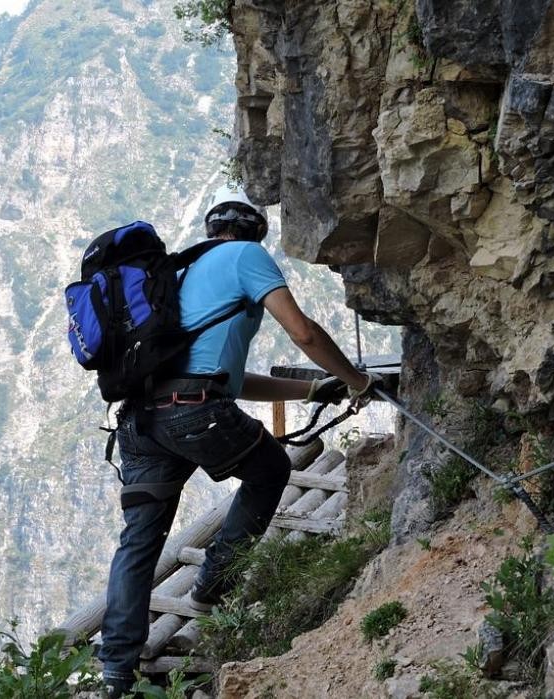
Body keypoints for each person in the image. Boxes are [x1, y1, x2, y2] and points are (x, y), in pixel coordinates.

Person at [98, 184, 380, 696]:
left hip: (140, 423)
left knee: (138, 544)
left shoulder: (177, 275)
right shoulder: (246, 256)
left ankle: (116, 670)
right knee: (270, 468)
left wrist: (314, 388)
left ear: (211, 231)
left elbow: (226, 378)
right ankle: (214, 584)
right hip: (193, 413)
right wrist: (357, 382)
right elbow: (305, 333)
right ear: (256, 235)